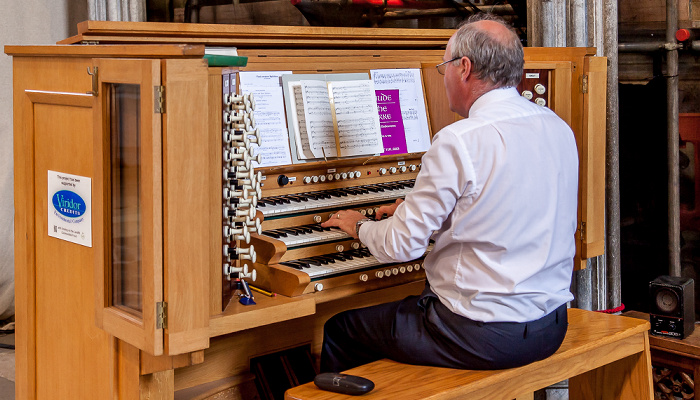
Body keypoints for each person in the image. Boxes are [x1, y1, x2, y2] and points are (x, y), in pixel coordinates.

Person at [319, 13, 579, 373]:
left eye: (444, 67)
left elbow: (401, 247)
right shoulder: (557, 126)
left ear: (465, 68)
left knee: (339, 329)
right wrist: (416, 212)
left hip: (479, 334)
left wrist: (359, 225)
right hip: (550, 326)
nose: (444, 78)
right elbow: (501, 210)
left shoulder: (460, 140)